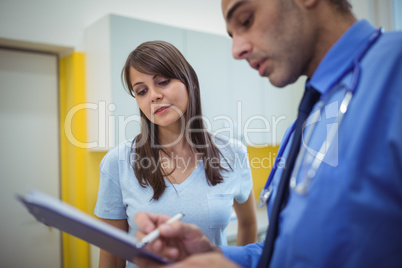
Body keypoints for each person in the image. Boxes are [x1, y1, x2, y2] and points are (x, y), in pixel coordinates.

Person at [133, 0, 402, 267]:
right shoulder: (305, 123)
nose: (236, 50)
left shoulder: (395, 69)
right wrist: (216, 256)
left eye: (246, 20)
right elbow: (286, 251)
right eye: (141, 91)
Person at [94, 40, 258, 267]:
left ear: (190, 82)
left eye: (162, 82)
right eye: (141, 91)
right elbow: (112, 255)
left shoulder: (233, 153)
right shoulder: (117, 162)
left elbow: (249, 224)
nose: (153, 95)